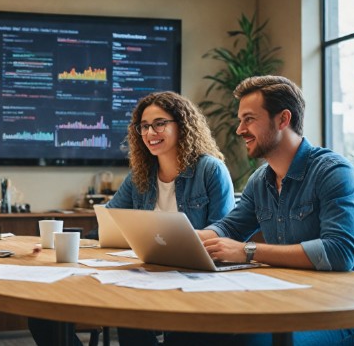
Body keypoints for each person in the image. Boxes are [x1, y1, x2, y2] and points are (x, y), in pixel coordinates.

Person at [28, 91, 235, 346]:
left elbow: (224, 233)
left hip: (194, 281)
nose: (150, 133)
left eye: (160, 123)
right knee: (42, 316)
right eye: (144, 126)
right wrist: (63, 243)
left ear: (182, 125)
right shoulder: (141, 175)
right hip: (143, 275)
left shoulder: (210, 170)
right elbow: (109, 223)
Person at [190, 75, 354, 346]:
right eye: (240, 120)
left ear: (283, 119)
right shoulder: (260, 179)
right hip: (289, 301)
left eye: (249, 119)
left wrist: (247, 251)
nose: (239, 130)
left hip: (342, 312)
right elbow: (230, 228)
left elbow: (339, 253)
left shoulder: (334, 173)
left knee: (249, 341)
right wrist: (188, 238)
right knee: (193, 335)